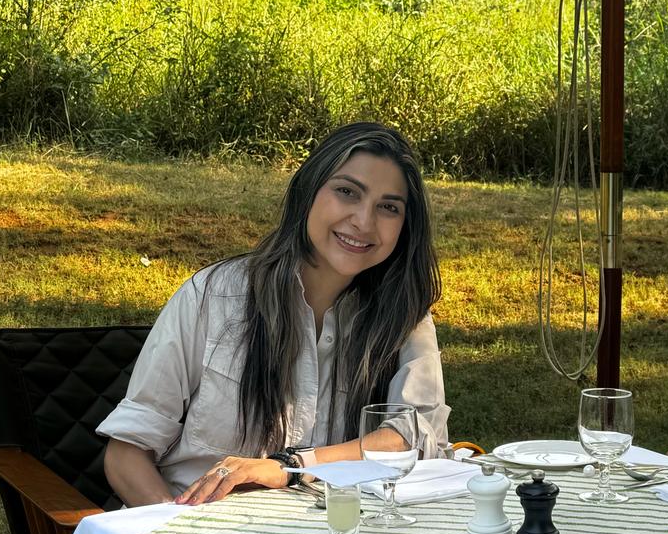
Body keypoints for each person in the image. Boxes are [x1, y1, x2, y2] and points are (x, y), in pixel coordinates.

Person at [99, 122, 449, 508]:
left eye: (388, 207)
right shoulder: (212, 297)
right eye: (347, 192)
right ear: (308, 192)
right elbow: (126, 454)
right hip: (200, 533)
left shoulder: (405, 317)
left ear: (405, 225)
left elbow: (414, 436)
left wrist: (290, 467)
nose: (364, 222)